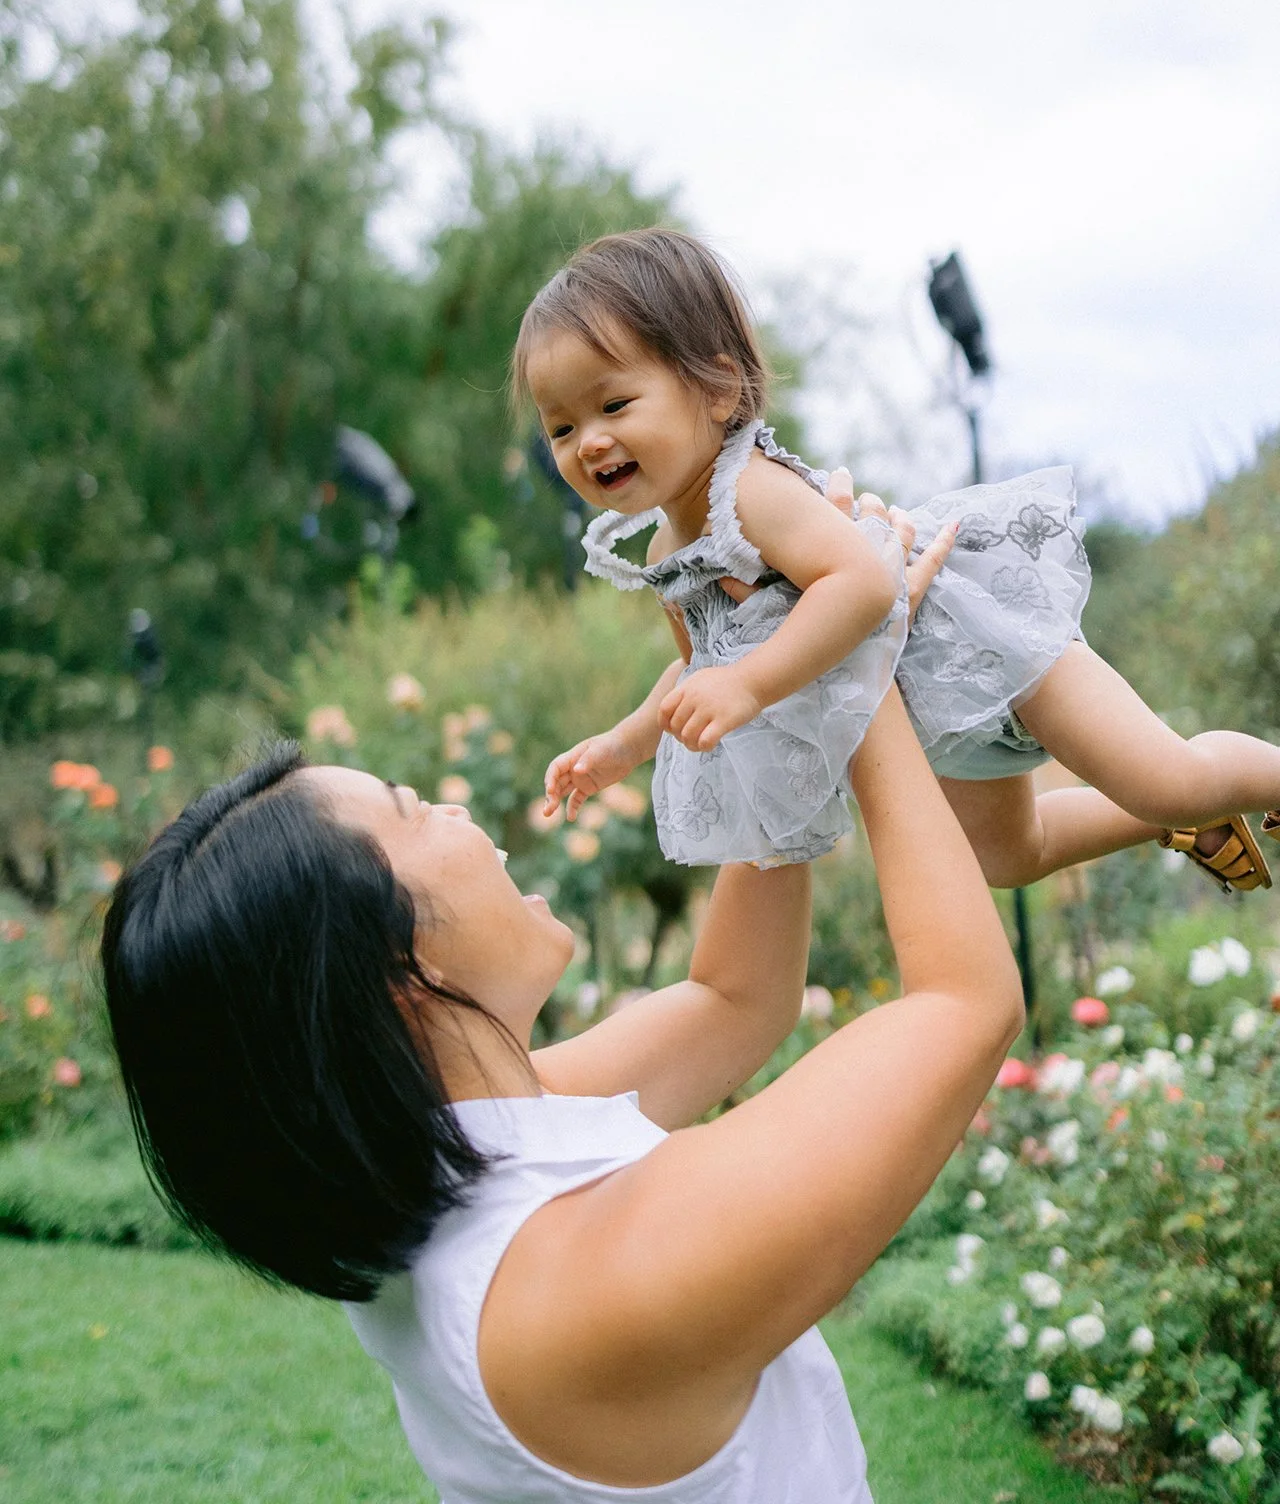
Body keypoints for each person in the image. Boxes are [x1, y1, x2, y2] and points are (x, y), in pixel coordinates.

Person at [101, 479, 1022, 1503]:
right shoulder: (580, 1288)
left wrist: (763, 658)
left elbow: (735, 1002)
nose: (457, 813)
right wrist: (856, 647)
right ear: (398, 973)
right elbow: (962, 1007)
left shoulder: (457, 1148)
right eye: (416, 813)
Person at [515, 228, 1280, 894]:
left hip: (990, 656)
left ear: (716, 390)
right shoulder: (666, 553)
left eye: (614, 406)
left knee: (1171, 779)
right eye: (561, 428)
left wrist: (749, 685)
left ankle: (1203, 798)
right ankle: (1171, 823)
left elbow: (862, 585)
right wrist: (625, 744)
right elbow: (701, 669)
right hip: (935, 718)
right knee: (1011, 857)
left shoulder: (750, 491)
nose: (589, 442)